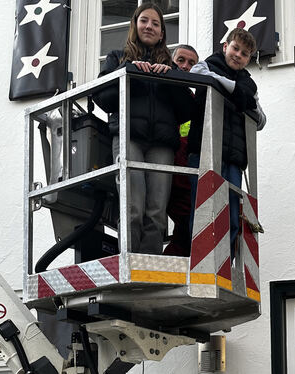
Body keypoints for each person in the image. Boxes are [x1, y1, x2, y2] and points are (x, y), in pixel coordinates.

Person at [93, 3, 193, 254]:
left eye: (156, 23)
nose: (149, 26)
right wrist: (130, 74)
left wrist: (170, 78)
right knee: (133, 206)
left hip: (162, 145)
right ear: (135, 26)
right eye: (145, 21)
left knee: (157, 210)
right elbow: (102, 98)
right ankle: (129, 260)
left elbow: (187, 111)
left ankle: (150, 266)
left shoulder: (170, 65)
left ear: (162, 33)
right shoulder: (118, 57)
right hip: (129, 139)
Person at [187, 28, 266, 259]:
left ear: (249, 59)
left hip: (233, 159)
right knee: (202, 212)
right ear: (225, 47)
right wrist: (236, 92)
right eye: (235, 48)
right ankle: (199, 261)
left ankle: (224, 263)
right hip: (204, 151)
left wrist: (234, 91)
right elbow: (197, 75)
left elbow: (261, 120)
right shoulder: (207, 65)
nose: (238, 55)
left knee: (232, 216)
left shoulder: (249, 85)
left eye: (244, 53)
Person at [163, 45, 199, 256]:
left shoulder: (194, 100)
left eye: (191, 63)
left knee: (187, 227)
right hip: (164, 170)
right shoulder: (161, 88)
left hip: (186, 177)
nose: (185, 66)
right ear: (171, 61)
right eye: (181, 60)